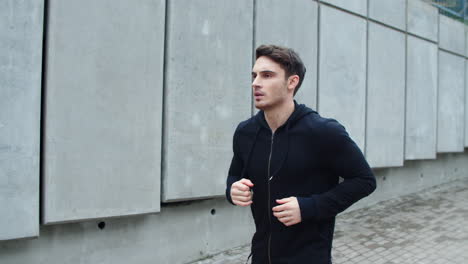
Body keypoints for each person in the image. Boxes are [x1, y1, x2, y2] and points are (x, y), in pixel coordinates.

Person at [226, 44, 376, 264]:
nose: (256, 83)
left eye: (267, 75)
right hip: (261, 256)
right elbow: (234, 176)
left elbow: (364, 180)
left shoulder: (323, 132)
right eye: (254, 75)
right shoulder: (245, 132)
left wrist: (309, 207)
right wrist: (233, 190)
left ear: (292, 82)